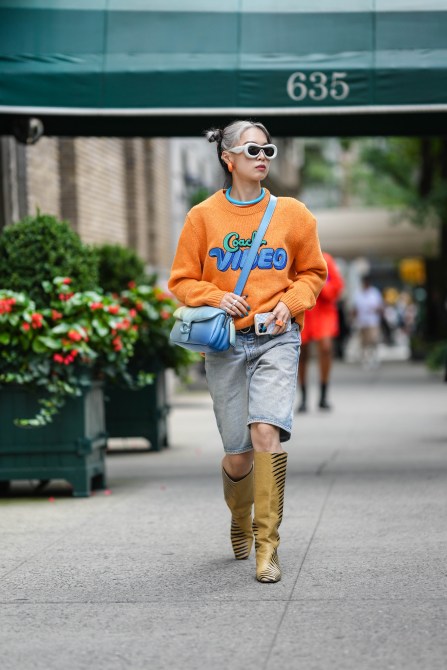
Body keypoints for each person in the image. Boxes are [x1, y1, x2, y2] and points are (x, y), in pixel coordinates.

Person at [168, 120, 327, 583]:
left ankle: (267, 546)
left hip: (277, 338)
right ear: (228, 157)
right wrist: (217, 296)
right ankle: (239, 519)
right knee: (237, 454)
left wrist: (289, 303)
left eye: (269, 149)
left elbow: (312, 274)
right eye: (253, 149)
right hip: (226, 344)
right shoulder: (202, 217)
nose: (263, 156)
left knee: (264, 434)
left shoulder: (294, 214)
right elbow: (180, 280)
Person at [297, 252, 344, 412]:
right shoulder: (296, 257)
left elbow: (336, 286)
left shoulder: (326, 260)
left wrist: (320, 284)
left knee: (325, 348)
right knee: (301, 352)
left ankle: (323, 395)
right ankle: (303, 398)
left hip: (323, 311)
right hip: (303, 309)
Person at [352, 274, 384, 369]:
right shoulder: (358, 293)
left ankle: (374, 358)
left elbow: (380, 307)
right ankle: (365, 360)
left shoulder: (375, 293)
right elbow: (354, 309)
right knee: (364, 343)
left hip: (373, 322)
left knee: (374, 341)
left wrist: (375, 310)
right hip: (362, 322)